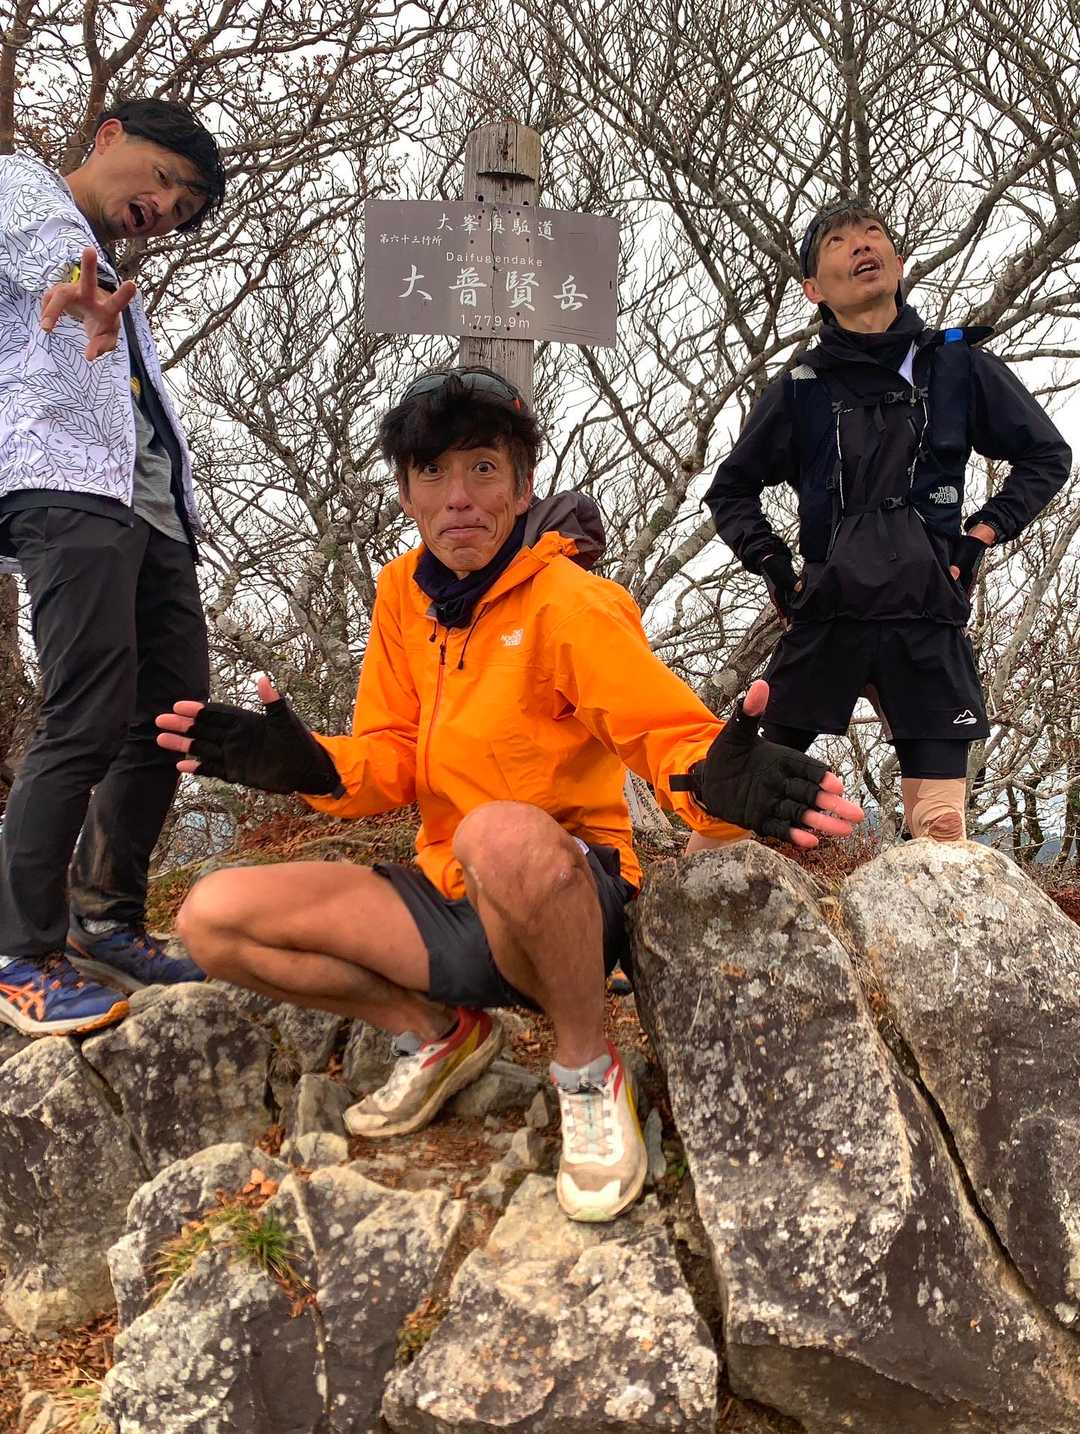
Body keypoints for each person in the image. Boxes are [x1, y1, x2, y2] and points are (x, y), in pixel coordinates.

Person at [155, 367, 864, 1223]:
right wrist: (315, 768)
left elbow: (663, 733)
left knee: (497, 834)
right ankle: (439, 1033)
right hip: (448, 892)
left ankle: (587, 1069)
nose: (457, 497)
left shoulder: (572, 603)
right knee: (213, 918)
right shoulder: (401, 595)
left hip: (564, 892)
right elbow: (394, 755)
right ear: (407, 493)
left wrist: (714, 779)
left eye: (483, 469)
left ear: (522, 488)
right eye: (432, 472)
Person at [703, 202, 1071, 846]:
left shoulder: (957, 365)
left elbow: (1046, 456)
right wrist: (773, 564)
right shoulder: (801, 385)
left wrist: (981, 534)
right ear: (814, 290)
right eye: (838, 242)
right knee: (738, 811)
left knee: (943, 830)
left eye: (873, 233)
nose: (861, 245)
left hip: (928, 613)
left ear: (897, 263)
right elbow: (731, 489)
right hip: (827, 613)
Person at [0, 100, 227, 1037]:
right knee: (87, 708)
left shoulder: (114, 280)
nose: (164, 209)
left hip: (151, 507)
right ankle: (20, 952)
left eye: (183, 209)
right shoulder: (24, 189)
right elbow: (50, 259)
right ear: (107, 137)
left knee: (173, 714)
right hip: (65, 485)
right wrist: (82, 285)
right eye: (164, 179)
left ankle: (104, 918)